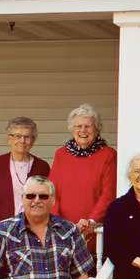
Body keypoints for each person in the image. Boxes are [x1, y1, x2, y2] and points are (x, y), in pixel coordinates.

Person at [50, 103, 117, 241]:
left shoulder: (108, 155)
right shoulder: (61, 154)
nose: (83, 130)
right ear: (72, 129)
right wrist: (57, 223)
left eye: (88, 126)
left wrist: (91, 222)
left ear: (97, 128)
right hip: (63, 232)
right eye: (78, 126)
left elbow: (108, 194)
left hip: (94, 231)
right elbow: (52, 191)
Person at [0, 117, 51, 230]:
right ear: (9, 139)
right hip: (2, 229)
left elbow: (48, 199)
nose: (22, 141)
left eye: (27, 137)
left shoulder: (42, 166)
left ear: (33, 140)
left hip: (32, 230)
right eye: (17, 136)